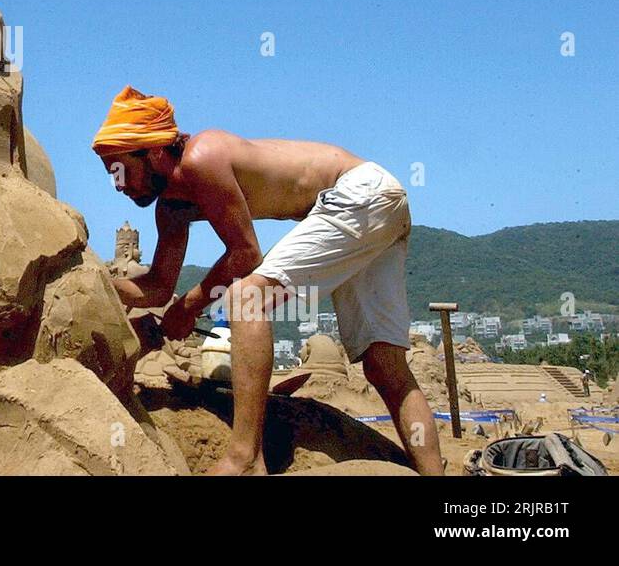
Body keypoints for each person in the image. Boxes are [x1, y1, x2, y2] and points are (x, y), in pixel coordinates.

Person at [92, 86, 442, 475]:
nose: (118, 184)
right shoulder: (171, 208)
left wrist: (188, 307)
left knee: (246, 298)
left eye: (120, 169)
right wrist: (95, 284)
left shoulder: (201, 156)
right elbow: (157, 285)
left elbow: (245, 254)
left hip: (359, 194)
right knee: (383, 365)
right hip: (378, 207)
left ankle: (244, 458)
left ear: (154, 150)